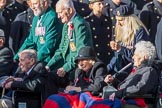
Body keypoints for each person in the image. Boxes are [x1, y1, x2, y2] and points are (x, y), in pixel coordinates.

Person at [45, 0, 93, 81]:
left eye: (60, 12)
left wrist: (65, 68)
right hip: (69, 69)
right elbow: (61, 49)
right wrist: (48, 66)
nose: (58, 16)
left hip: (79, 71)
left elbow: (81, 53)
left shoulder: (80, 25)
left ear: (70, 10)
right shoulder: (66, 25)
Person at [104, 41, 159, 108]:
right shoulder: (137, 70)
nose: (132, 57)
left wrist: (119, 93)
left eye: (135, 54)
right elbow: (125, 86)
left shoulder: (150, 71)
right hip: (125, 98)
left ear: (144, 57)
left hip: (136, 103)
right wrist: (113, 81)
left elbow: (139, 89)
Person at [107, 5, 150, 87]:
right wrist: (107, 69)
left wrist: (120, 49)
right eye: (117, 20)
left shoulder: (139, 32)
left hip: (131, 74)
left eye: (121, 20)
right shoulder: (119, 31)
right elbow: (116, 56)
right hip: (118, 71)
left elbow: (138, 57)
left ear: (129, 20)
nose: (118, 23)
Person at [14, 0, 63, 65]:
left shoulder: (52, 18)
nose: (32, 7)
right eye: (31, 4)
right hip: (38, 60)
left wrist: (34, 60)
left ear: (45, 3)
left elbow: (49, 45)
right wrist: (18, 56)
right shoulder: (36, 18)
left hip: (49, 62)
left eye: (35, 4)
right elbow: (30, 41)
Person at [85, 0, 113, 64]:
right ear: (91, 6)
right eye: (99, 4)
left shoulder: (107, 20)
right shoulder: (87, 22)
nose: (102, 6)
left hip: (108, 55)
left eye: (102, 3)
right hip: (95, 56)